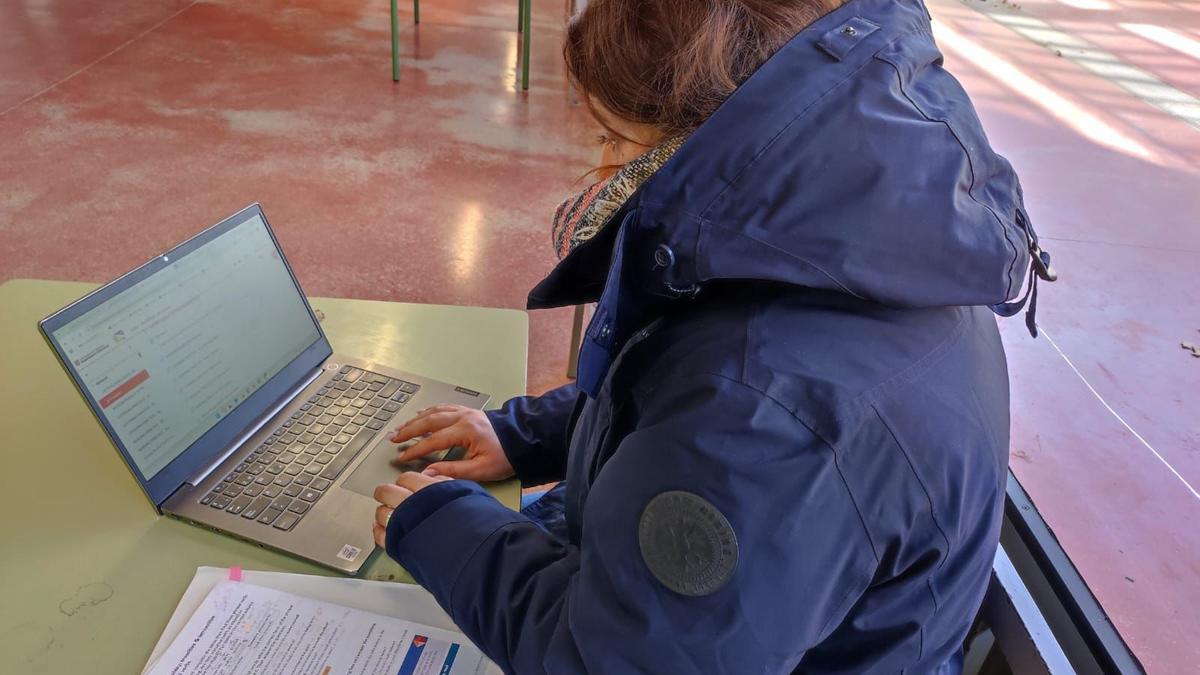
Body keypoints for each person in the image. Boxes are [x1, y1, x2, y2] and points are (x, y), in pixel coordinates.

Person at [371, 0, 1054, 672]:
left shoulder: (763, 417)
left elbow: (617, 660)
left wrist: (441, 530)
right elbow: (676, 385)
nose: (601, 169)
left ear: (694, 137)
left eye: (615, 138)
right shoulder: (874, 233)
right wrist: (528, 436)